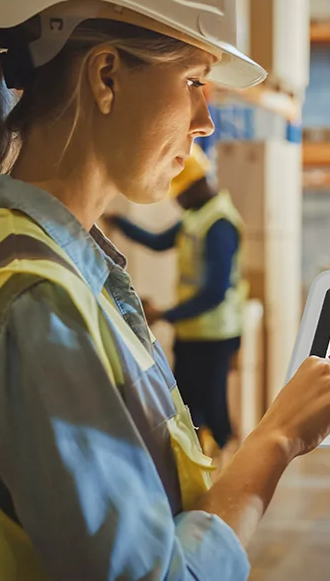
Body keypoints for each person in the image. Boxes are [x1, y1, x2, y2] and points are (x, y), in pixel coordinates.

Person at [0, 0, 330, 578]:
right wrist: (277, 439)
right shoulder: (37, 302)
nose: (205, 121)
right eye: (194, 80)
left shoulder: (57, 270)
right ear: (106, 76)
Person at [105, 144, 248, 454]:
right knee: (187, 403)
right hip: (192, 332)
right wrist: (118, 223)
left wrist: (165, 315)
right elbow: (158, 242)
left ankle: (227, 470)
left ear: (197, 186)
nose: (178, 201)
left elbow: (214, 293)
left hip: (215, 334)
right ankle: (204, 464)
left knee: (213, 406)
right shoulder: (196, 217)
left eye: (180, 193)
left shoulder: (219, 224)